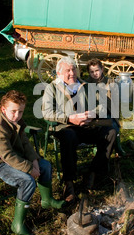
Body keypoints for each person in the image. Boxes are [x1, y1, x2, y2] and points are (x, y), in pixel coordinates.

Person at [0, 90, 65, 235]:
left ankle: (47, 200)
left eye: (20, 111)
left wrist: (35, 162)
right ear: (3, 110)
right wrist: (29, 169)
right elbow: (7, 155)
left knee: (46, 165)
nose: (17, 115)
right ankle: (17, 224)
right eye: (13, 111)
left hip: (16, 156)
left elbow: (25, 143)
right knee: (27, 181)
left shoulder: (17, 122)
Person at [42, 56, 117, 199]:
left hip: (87, 126)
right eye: (67, 71)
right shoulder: (51, 88)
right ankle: (69, 182)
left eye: (74, 69)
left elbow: (102, 104)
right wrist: (70, 118)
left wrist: (93, 114)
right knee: (69, 136)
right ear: (58, 73)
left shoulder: (85, 85)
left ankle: (92, 172)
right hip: (66, 127)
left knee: (111, 131)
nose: (72, 73)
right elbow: (46, 112)